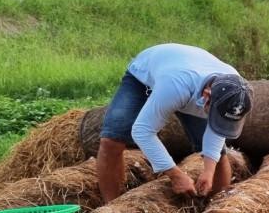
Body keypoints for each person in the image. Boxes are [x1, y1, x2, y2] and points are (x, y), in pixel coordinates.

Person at [97, 43, 253, 203]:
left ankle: (216, 212)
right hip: (146, 78)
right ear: (207, 95)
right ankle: (111, 207)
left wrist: (208, 171)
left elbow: (217, 131)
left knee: (218, 155)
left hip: (184, 72)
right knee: (111, 140)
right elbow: (142, 131)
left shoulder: (235, 89)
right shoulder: (175, 85)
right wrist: (175, 174)